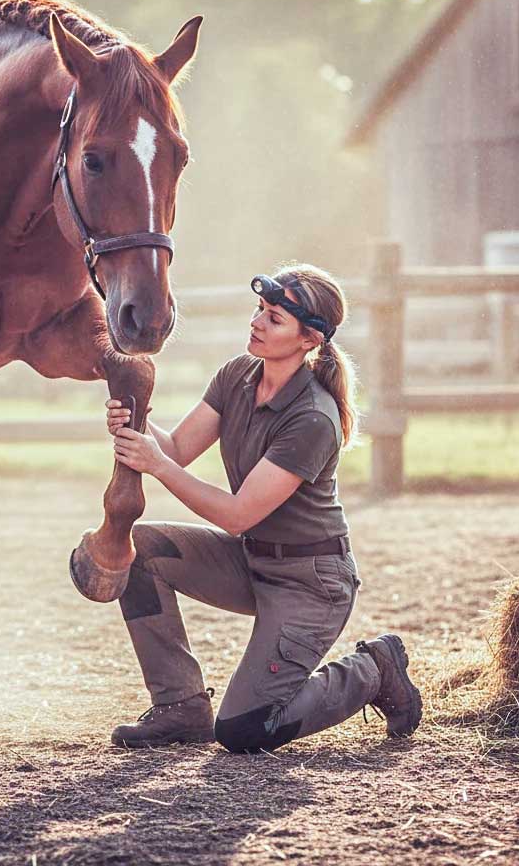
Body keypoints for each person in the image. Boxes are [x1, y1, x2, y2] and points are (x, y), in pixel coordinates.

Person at [105, 264, 422, 753]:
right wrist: (138, 420)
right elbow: (180, 447)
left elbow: (237, 515)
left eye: (273, 318)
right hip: (253, 561)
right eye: (259, 310)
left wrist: (157, 466)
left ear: (308, 339)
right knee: (140, 549)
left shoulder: (313, 418)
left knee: (245, 731)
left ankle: (373, 670)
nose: (256, 322)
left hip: (310, 583)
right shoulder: (237, 374)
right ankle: (180, 707)